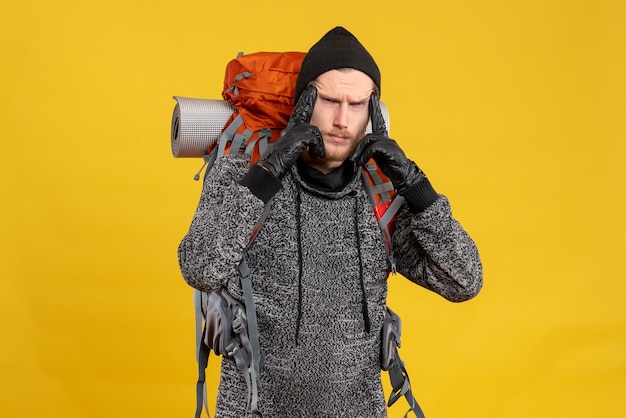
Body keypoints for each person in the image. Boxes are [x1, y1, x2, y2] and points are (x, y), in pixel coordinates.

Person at [178, 26, 483, 417]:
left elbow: (464, 280)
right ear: (304, 102)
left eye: (357, 105)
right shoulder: (245, 172)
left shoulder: (381, 192)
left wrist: (417, 186)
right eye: (329, 100)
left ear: (373, 111)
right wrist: (269, 171)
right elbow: (200, 266)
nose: (342, 119)